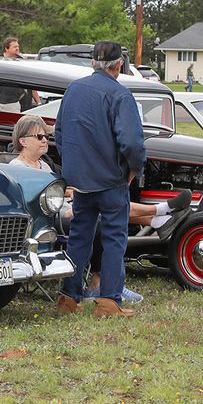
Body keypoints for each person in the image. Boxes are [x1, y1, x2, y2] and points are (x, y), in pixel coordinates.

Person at [10, 114, 191, 304]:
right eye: (39, 137)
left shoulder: (44, 165)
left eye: (46, 136)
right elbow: (31, 202)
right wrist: (65, 204)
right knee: (102, 215)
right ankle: (158, 212)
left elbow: (56, 190)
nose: (45, 140)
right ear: (23, 141)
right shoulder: (18, 168)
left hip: (65, 210)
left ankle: (157, 218)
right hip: (46, 220)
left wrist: (70, 192)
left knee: (103, 207)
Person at [54, 41, 150, 317]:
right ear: (119, 65)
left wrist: (74, 168)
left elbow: (60, 134)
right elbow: (132, 143)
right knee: (114, 240)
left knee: (79, 238)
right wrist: (133, 170)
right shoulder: (120, 95)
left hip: (80, 181)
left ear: (92, 63)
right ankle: (108, 301)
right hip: (111, 180)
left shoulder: (73, 90)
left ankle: (68, 298)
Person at [1, 37, 42, 111]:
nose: (17, 48)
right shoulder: (2, 64)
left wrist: (38, 102)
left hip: (24, 105)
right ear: (6, 48)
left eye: (18, 46)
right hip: (6, 105)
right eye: (15, 47)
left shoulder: (21, 62)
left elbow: (31, 84)